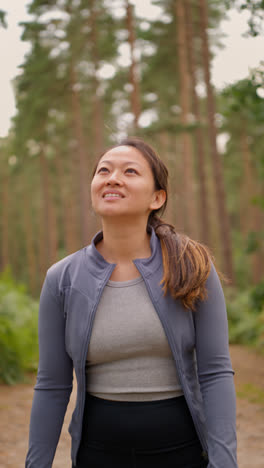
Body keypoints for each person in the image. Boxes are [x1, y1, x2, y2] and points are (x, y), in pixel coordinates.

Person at [25, 137, 237, 468]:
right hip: (98, 453)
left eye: (130, 171)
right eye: (104, 170)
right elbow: (52, 385)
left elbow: (215, 372)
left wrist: (224, 462)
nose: (112, 177)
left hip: (183, 451)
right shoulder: (62, 279)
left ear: (157, 198)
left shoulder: (192, 265)